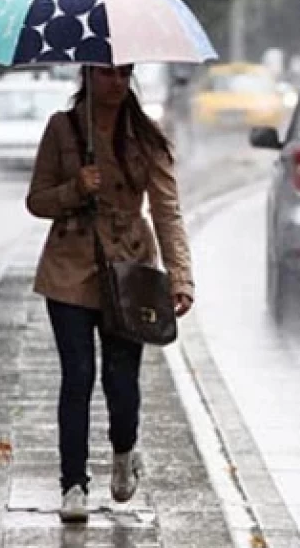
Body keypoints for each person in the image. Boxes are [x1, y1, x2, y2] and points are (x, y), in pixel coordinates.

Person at [25, 64, 195, 523]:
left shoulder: (145, 133)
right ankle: (73, 484)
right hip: (70, 266)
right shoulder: (62, 128)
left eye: (125, 73)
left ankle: (124, 450)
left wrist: (179, 276)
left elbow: (167, 210)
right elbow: (37, 199)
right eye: (106, 73)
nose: (116, 83)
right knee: (77, 375)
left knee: (121, 381)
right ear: (87, 74)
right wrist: (74, 189)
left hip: (129, 268)